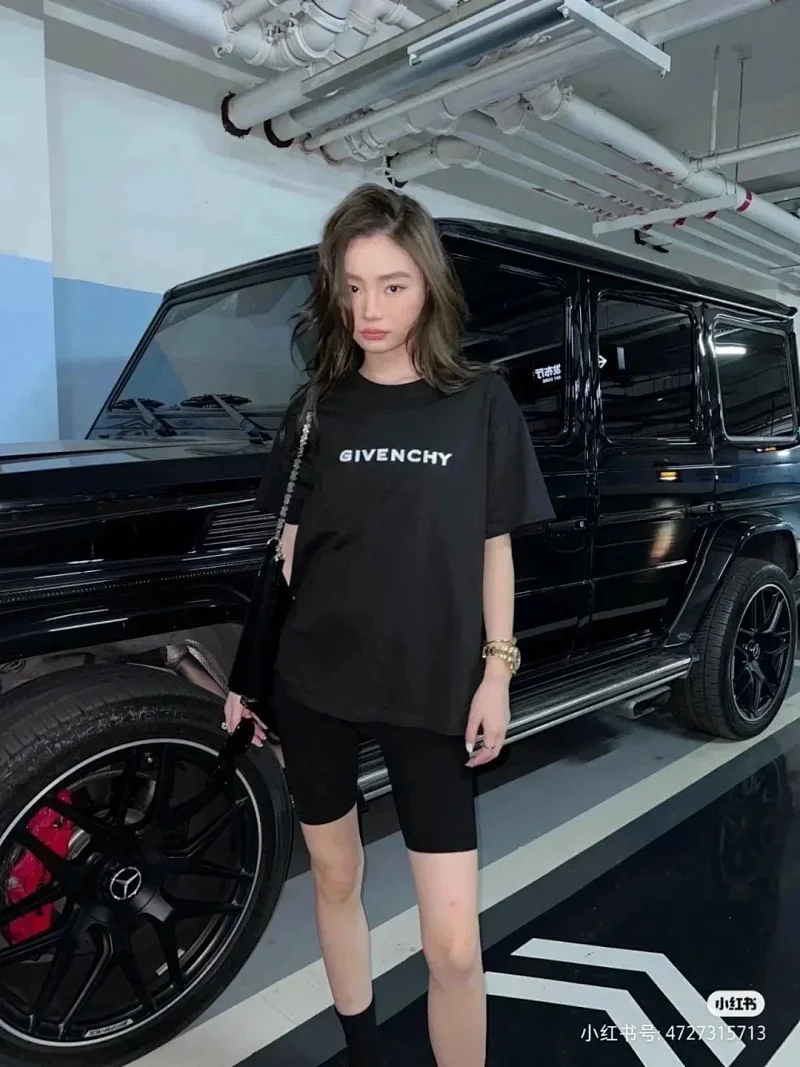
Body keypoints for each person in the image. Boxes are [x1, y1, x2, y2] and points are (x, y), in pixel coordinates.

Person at [224, 183, 554, 1067]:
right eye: (353, 286)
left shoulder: (480, 401)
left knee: (454, 944)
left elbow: (493, 547)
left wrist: (497, 671)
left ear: (429, 288)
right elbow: (289, 556)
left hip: (432, 690)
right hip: (316, 686)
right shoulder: (317, 409)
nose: (370, 309)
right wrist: (249, 679)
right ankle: (363, 1052)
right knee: (336, 878)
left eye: (393, 286)